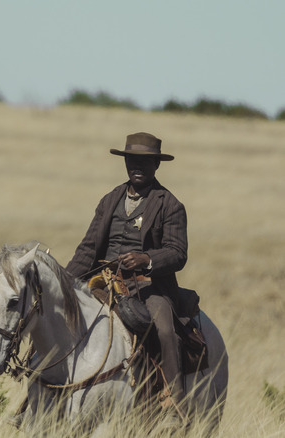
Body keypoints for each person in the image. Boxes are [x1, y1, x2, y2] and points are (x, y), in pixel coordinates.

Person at [66, 132, 188, 416]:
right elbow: (87, 249)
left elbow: (178, 253)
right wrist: (64, 282)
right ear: (125, 161)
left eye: (145, 161)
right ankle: (34, 398)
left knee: (166, 329)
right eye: (132, 159)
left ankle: (173, 401)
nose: (137, 166)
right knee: (55, 314)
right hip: (103, 281)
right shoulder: (110, 200)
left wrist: (146, 259)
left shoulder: (170, 204)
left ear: (157, 165)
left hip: (149, 287)